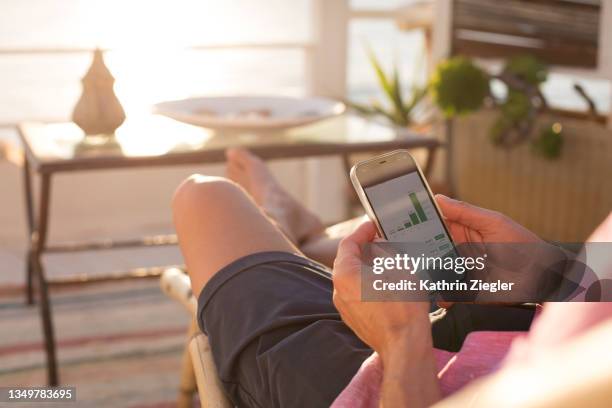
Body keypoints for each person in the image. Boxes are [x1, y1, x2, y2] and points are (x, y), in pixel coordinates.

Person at [172, 149, 601, 407]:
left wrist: (402, 344)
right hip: (495, 327)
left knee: (205, 195)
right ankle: (297, 229)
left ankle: (288, 222)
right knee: (387, 249)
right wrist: (552, 273)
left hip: (394, 386)